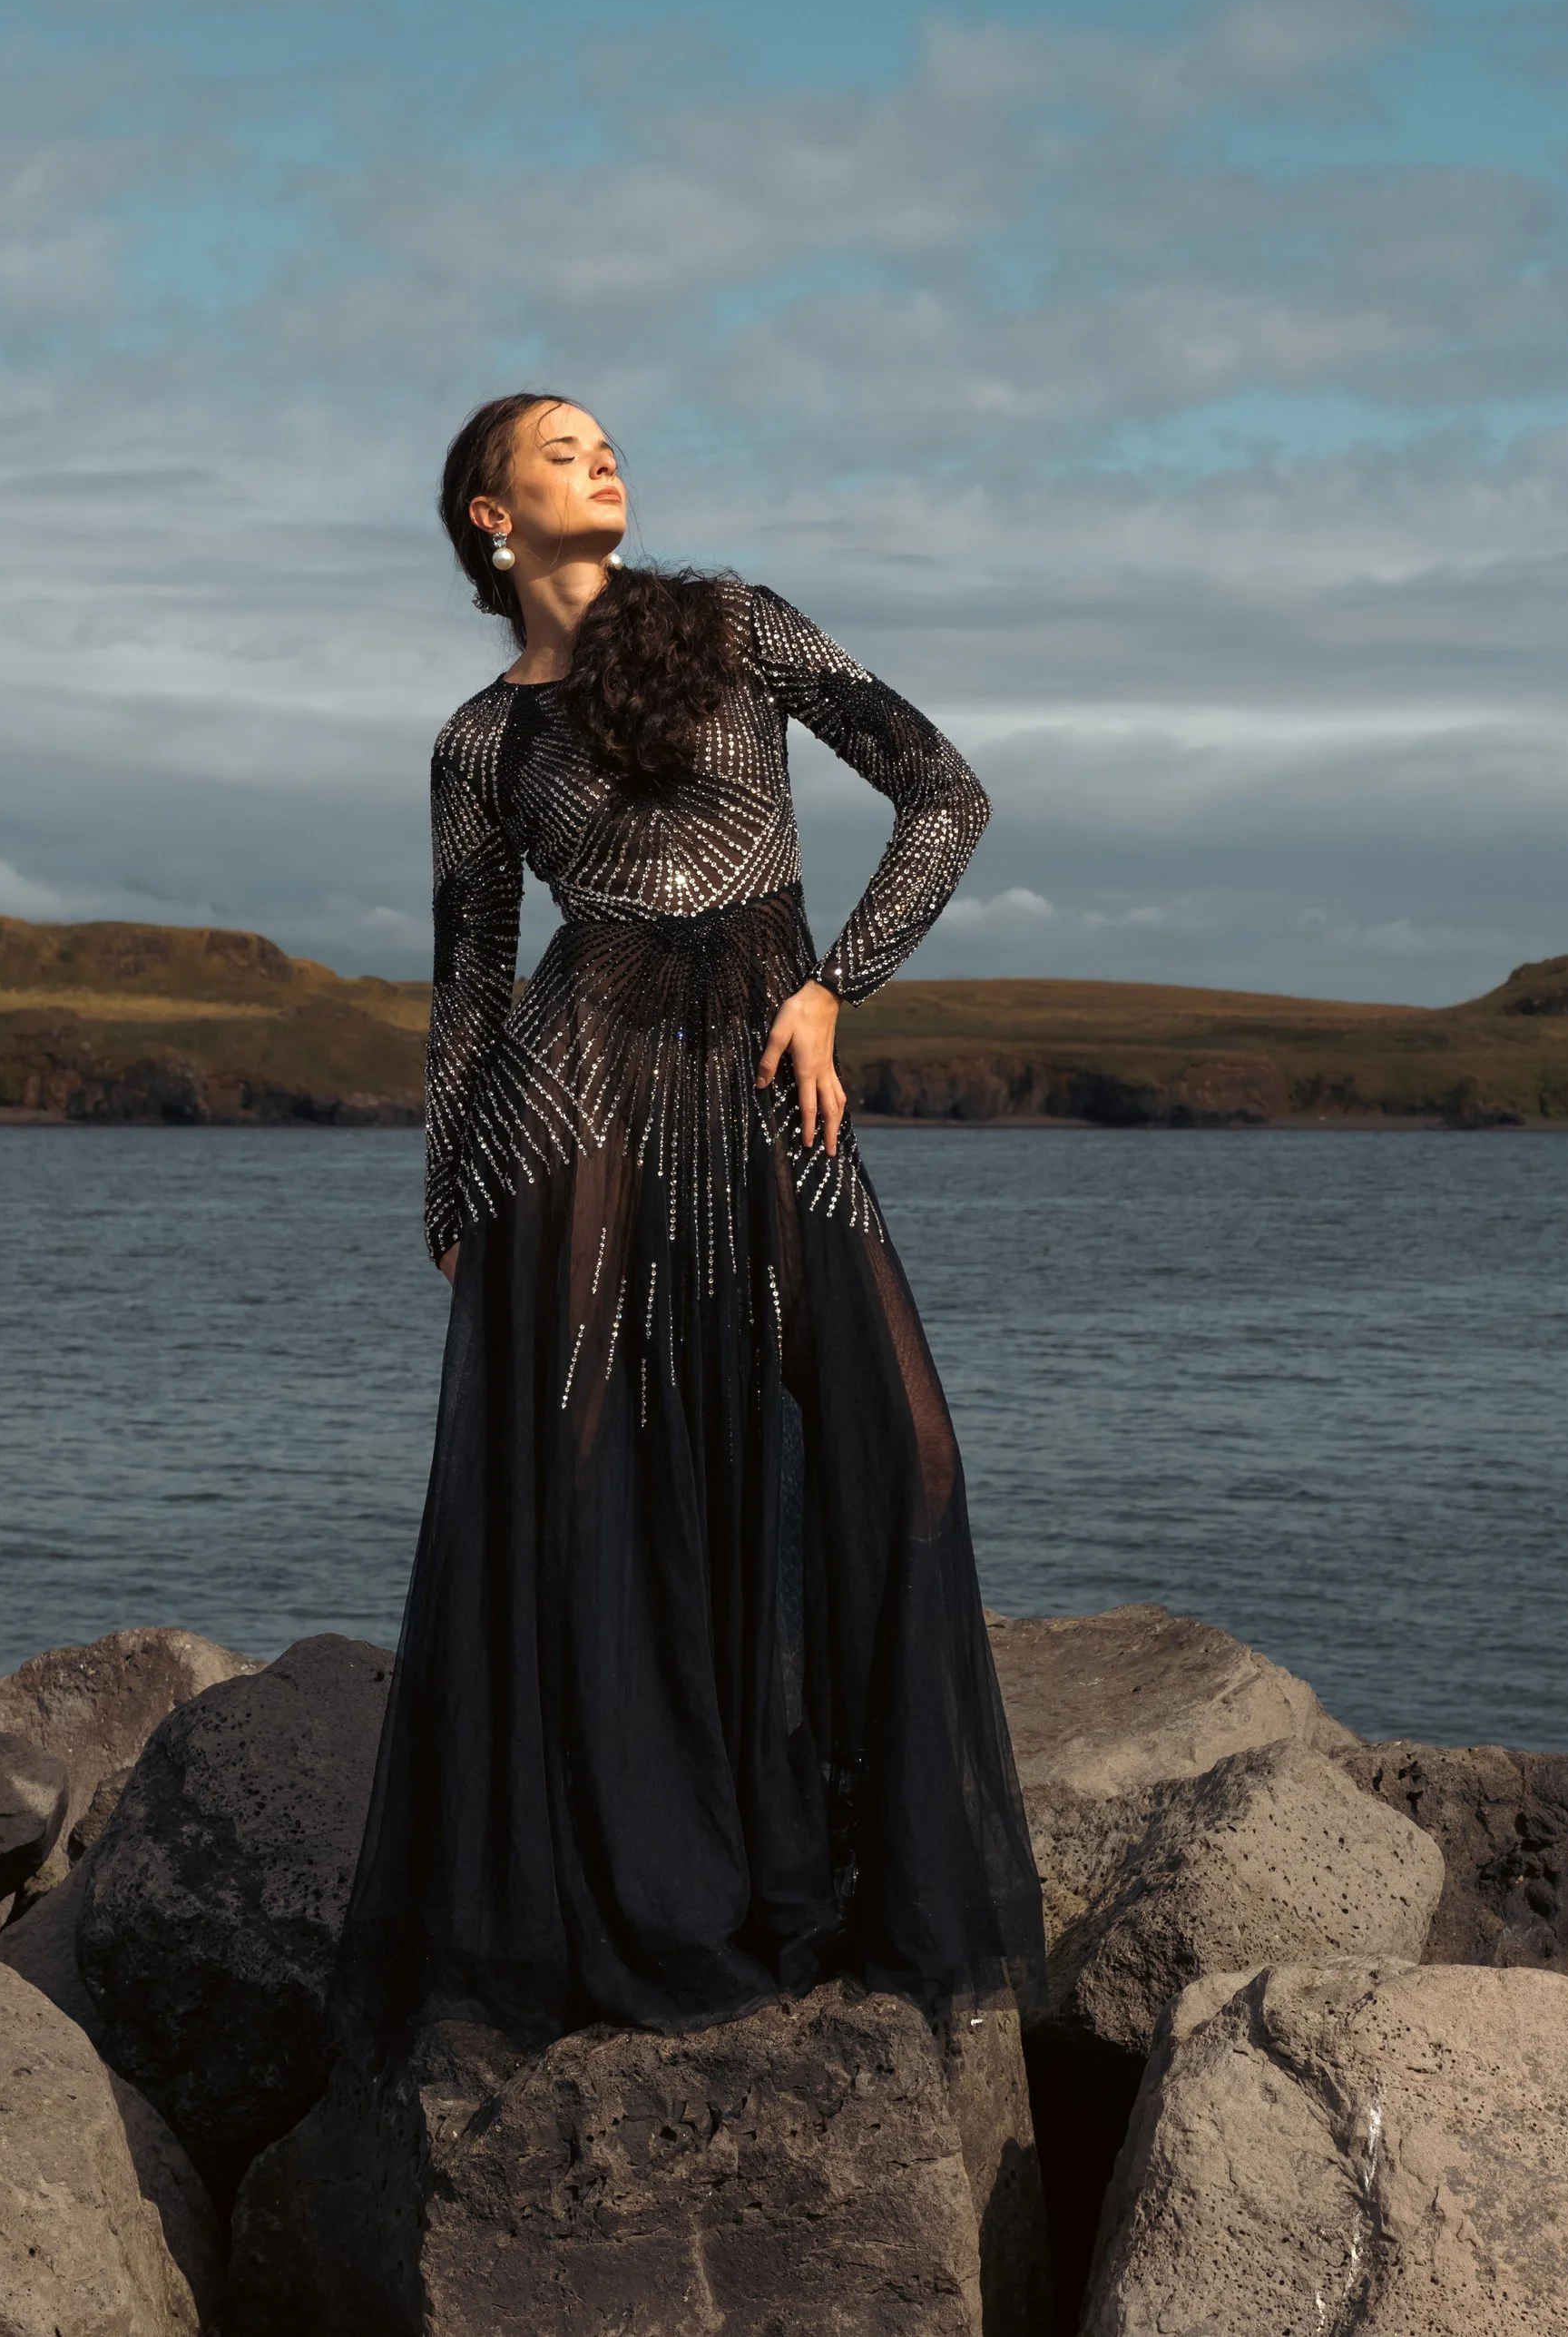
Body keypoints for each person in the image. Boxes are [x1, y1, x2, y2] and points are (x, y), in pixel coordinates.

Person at [329, 392, 1044, 2058]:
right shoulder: (480, 741)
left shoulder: (735, 626)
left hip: (763, 1044)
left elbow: (947, 796)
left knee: (901, 1449)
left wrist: (833, 987)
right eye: (557, 447)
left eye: (606, 442)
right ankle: (629, 1891)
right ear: (488, 518)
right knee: (589, 1487)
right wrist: (451, 1192)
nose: (602, 457)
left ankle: (847, 1866)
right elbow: (470, 984)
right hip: (573, 1093)